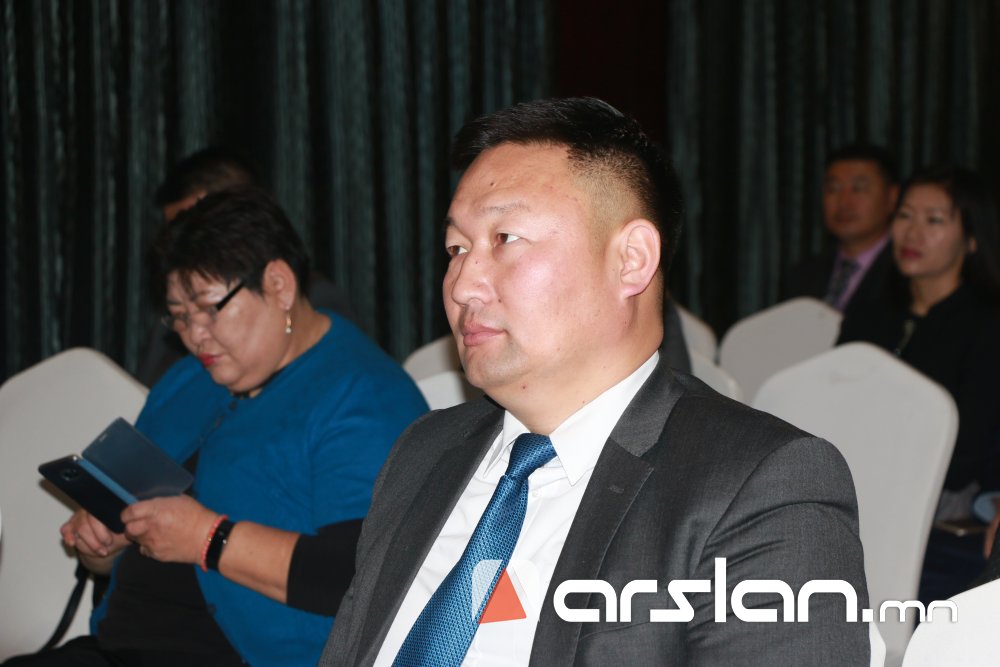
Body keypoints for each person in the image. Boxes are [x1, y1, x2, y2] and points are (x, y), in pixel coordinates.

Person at [320, 98, 869, 666]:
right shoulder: (424, 453)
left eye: (505, 238)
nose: (462, 284)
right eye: (456, 249)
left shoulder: (760, 486)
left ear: (631, 259)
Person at [6, 189, 428, 666]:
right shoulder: (188, 379)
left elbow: (360, 575)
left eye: (209, 309)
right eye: (180, 317)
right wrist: (105, 543)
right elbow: (126, 544)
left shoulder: (365, 395)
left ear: (279, 285)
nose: (195, 336)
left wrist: (209, 538)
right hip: (118, 646)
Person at [838, 165, 1000, 602]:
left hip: (940, 502)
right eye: (905, 216)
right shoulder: (869, 315)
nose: (913, 233)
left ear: (971, 238)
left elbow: (967, 449)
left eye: (934, 220)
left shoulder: (986, 325)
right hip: (854, 489)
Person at [137, 147, 357, 386]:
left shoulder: (315, 304)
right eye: (181, 316)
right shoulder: (178, 313)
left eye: (196, 221)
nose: (195, 335)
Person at [782, 143, 899, 315]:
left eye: (858, 189)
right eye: (833, 189)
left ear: (892, 198)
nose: (844, 202)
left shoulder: (906, 274)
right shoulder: (803, 275)